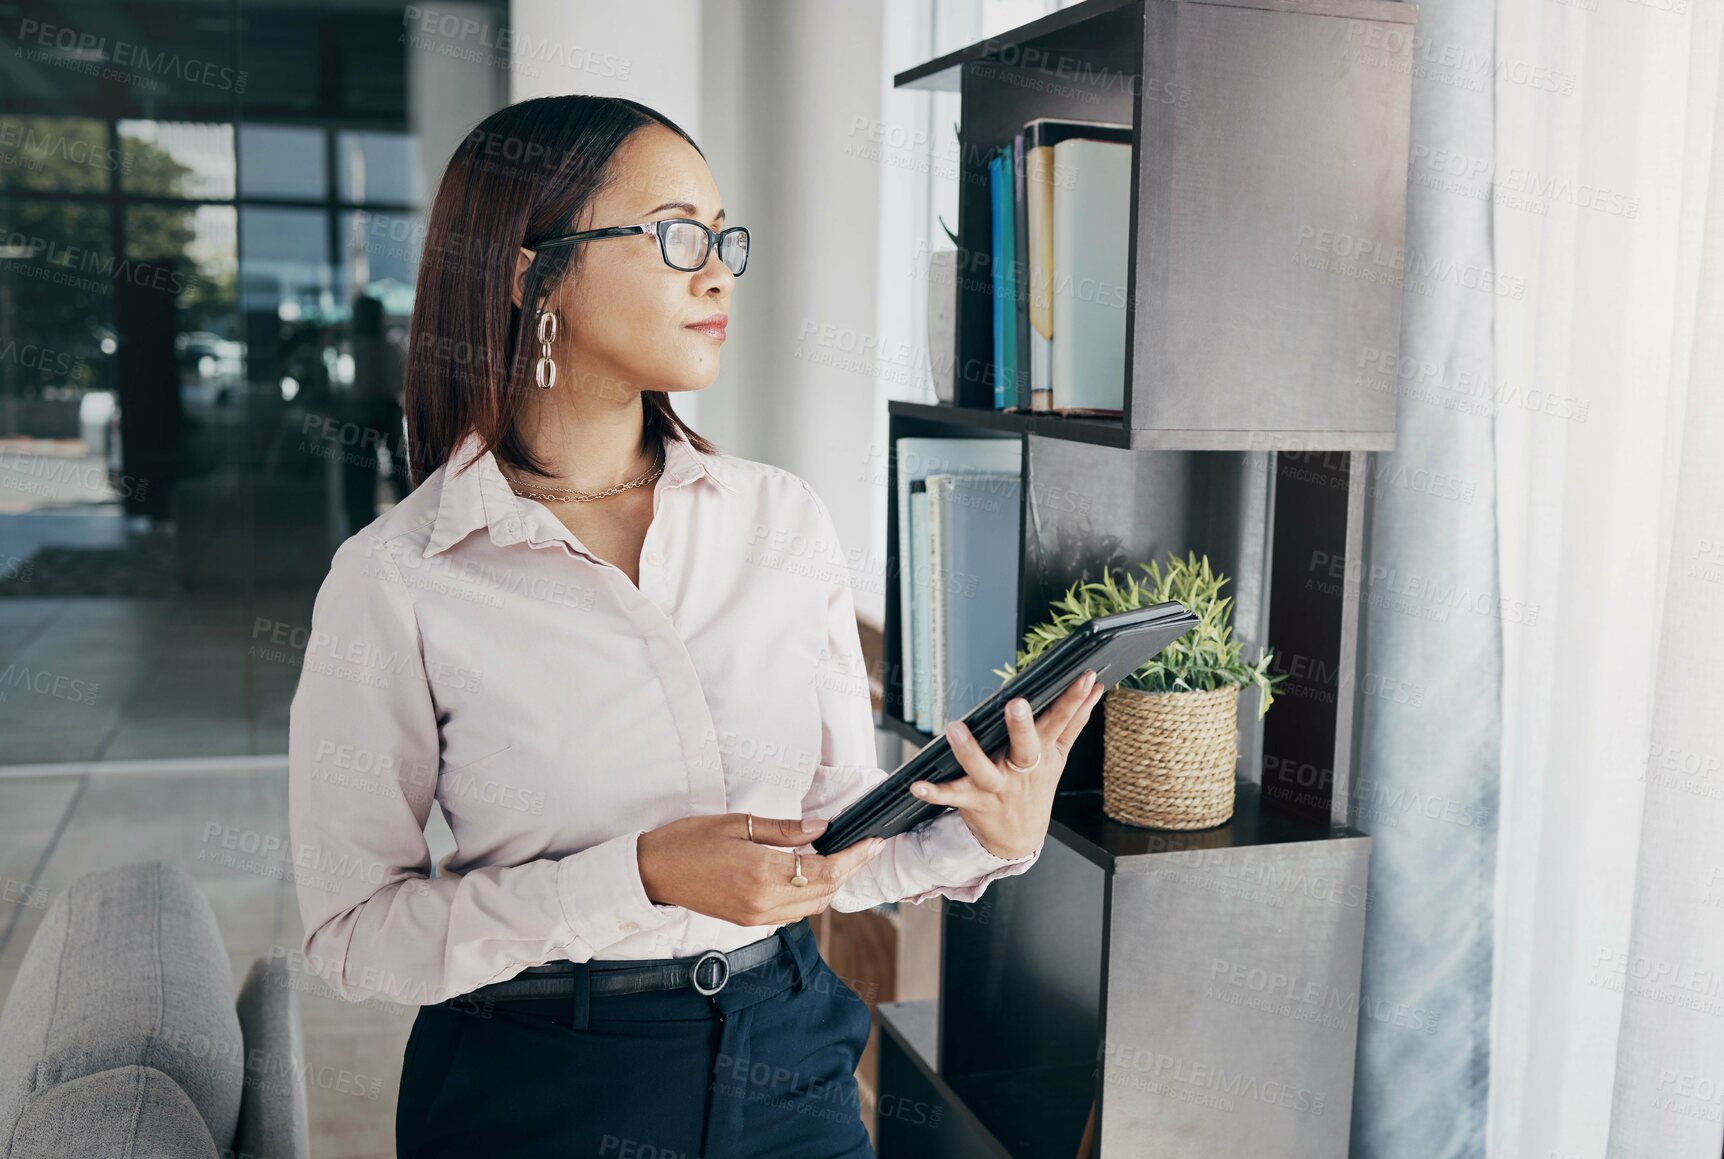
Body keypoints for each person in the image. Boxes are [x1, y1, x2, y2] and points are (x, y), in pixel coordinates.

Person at [286, 94, 1105, 1159]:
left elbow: (824, 850)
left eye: (722, 238)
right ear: (528, 271)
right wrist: (640, 875)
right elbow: (354, 939)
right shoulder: (396, 579)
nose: (716, 271)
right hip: (536, 1086)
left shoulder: (779, 520)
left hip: (789, 1060)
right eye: (676, 236)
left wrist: (986, 838)